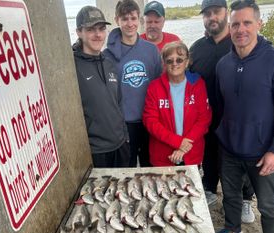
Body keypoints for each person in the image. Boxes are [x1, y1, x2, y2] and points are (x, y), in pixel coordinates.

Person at [215, 0, 274, 233]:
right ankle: (232, 227)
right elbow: (222, 104)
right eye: (235, 24)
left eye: (247, 22)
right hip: (229, 147)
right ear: (229, 27)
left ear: (259, 24)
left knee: (268, 204)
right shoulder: (223, 64)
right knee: (231, 195)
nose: (241, 29)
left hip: (263, 152)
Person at [190, 0, 255, 225]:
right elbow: (187, 81)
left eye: (216, 12)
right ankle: (209, 188)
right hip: (207, 116)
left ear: (226, 13)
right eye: (207, 14)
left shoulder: (241, 42)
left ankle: (246, 197)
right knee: (209, 154)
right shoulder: (196, 48)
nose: (212, 17)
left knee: (241, 156)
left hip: (238, 116)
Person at [104, 0, 162, 167]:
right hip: (124, 124)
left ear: (139, 20)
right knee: (126, 169)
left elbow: (158, 87)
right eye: (125, 19)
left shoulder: (151, 50)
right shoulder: (107, 56)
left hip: (149, 121)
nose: (130, 23)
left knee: (149, 167)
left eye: (133, 18)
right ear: (117, 20)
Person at [73, 6, 130, 168]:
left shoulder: (109, 63)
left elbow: (118, 103)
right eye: (91, 29)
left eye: (101, 29)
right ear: (79, 32)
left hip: (120, 146)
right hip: (96, 153)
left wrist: (125, 137)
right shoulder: (71, 67)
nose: (98, 34)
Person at [142, 41, 211, 167]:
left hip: (192, 153)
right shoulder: (154, 87)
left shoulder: (198, 84)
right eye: (169, 60)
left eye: (179, 60)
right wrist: (178, 142)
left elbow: (204, 119)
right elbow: (150, 121)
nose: (174, 64)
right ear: (164, 63)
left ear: (187, 62)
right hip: (163, 156)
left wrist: (183, 148)